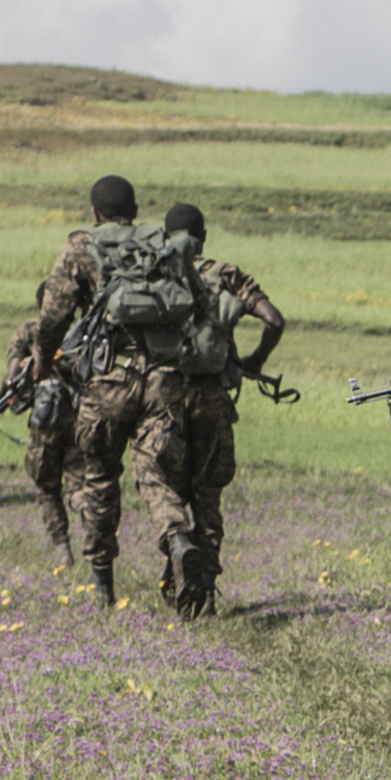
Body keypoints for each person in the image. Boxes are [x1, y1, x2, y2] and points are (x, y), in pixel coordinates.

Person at [15, 177, 173, 603]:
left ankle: (103, 582)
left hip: (109, 379)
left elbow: (53, 317)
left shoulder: (81, 247)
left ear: (95, 213)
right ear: (135, 210)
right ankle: (177, 543)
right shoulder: (160, 244)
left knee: (99, 476)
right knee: (157, 472)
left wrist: (43, 361)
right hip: (163, 376)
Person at [143, 202, 286, 615]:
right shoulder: (227, 275)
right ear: (203, 237)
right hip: (212, 398)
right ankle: (204, 593)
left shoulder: (155, 272)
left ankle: (177, 551)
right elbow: (274, 320)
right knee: (208, 494)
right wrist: (254, 361)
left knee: (160, 483)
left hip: (162, 396)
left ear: (166, 237)